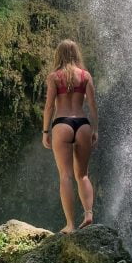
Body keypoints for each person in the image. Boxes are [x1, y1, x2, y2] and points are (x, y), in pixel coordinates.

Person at [42, 39, 98, 233]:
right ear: (76, 54)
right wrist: (95, 129)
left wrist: (46, 131)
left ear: (59, 55)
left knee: (65, 175)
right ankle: (89, 213)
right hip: (82, 124)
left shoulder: (54, 77)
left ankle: (70, 225)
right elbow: (92, 105)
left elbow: (49, 106)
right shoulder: (85, 76)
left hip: (62, 123)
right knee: (82, 174)